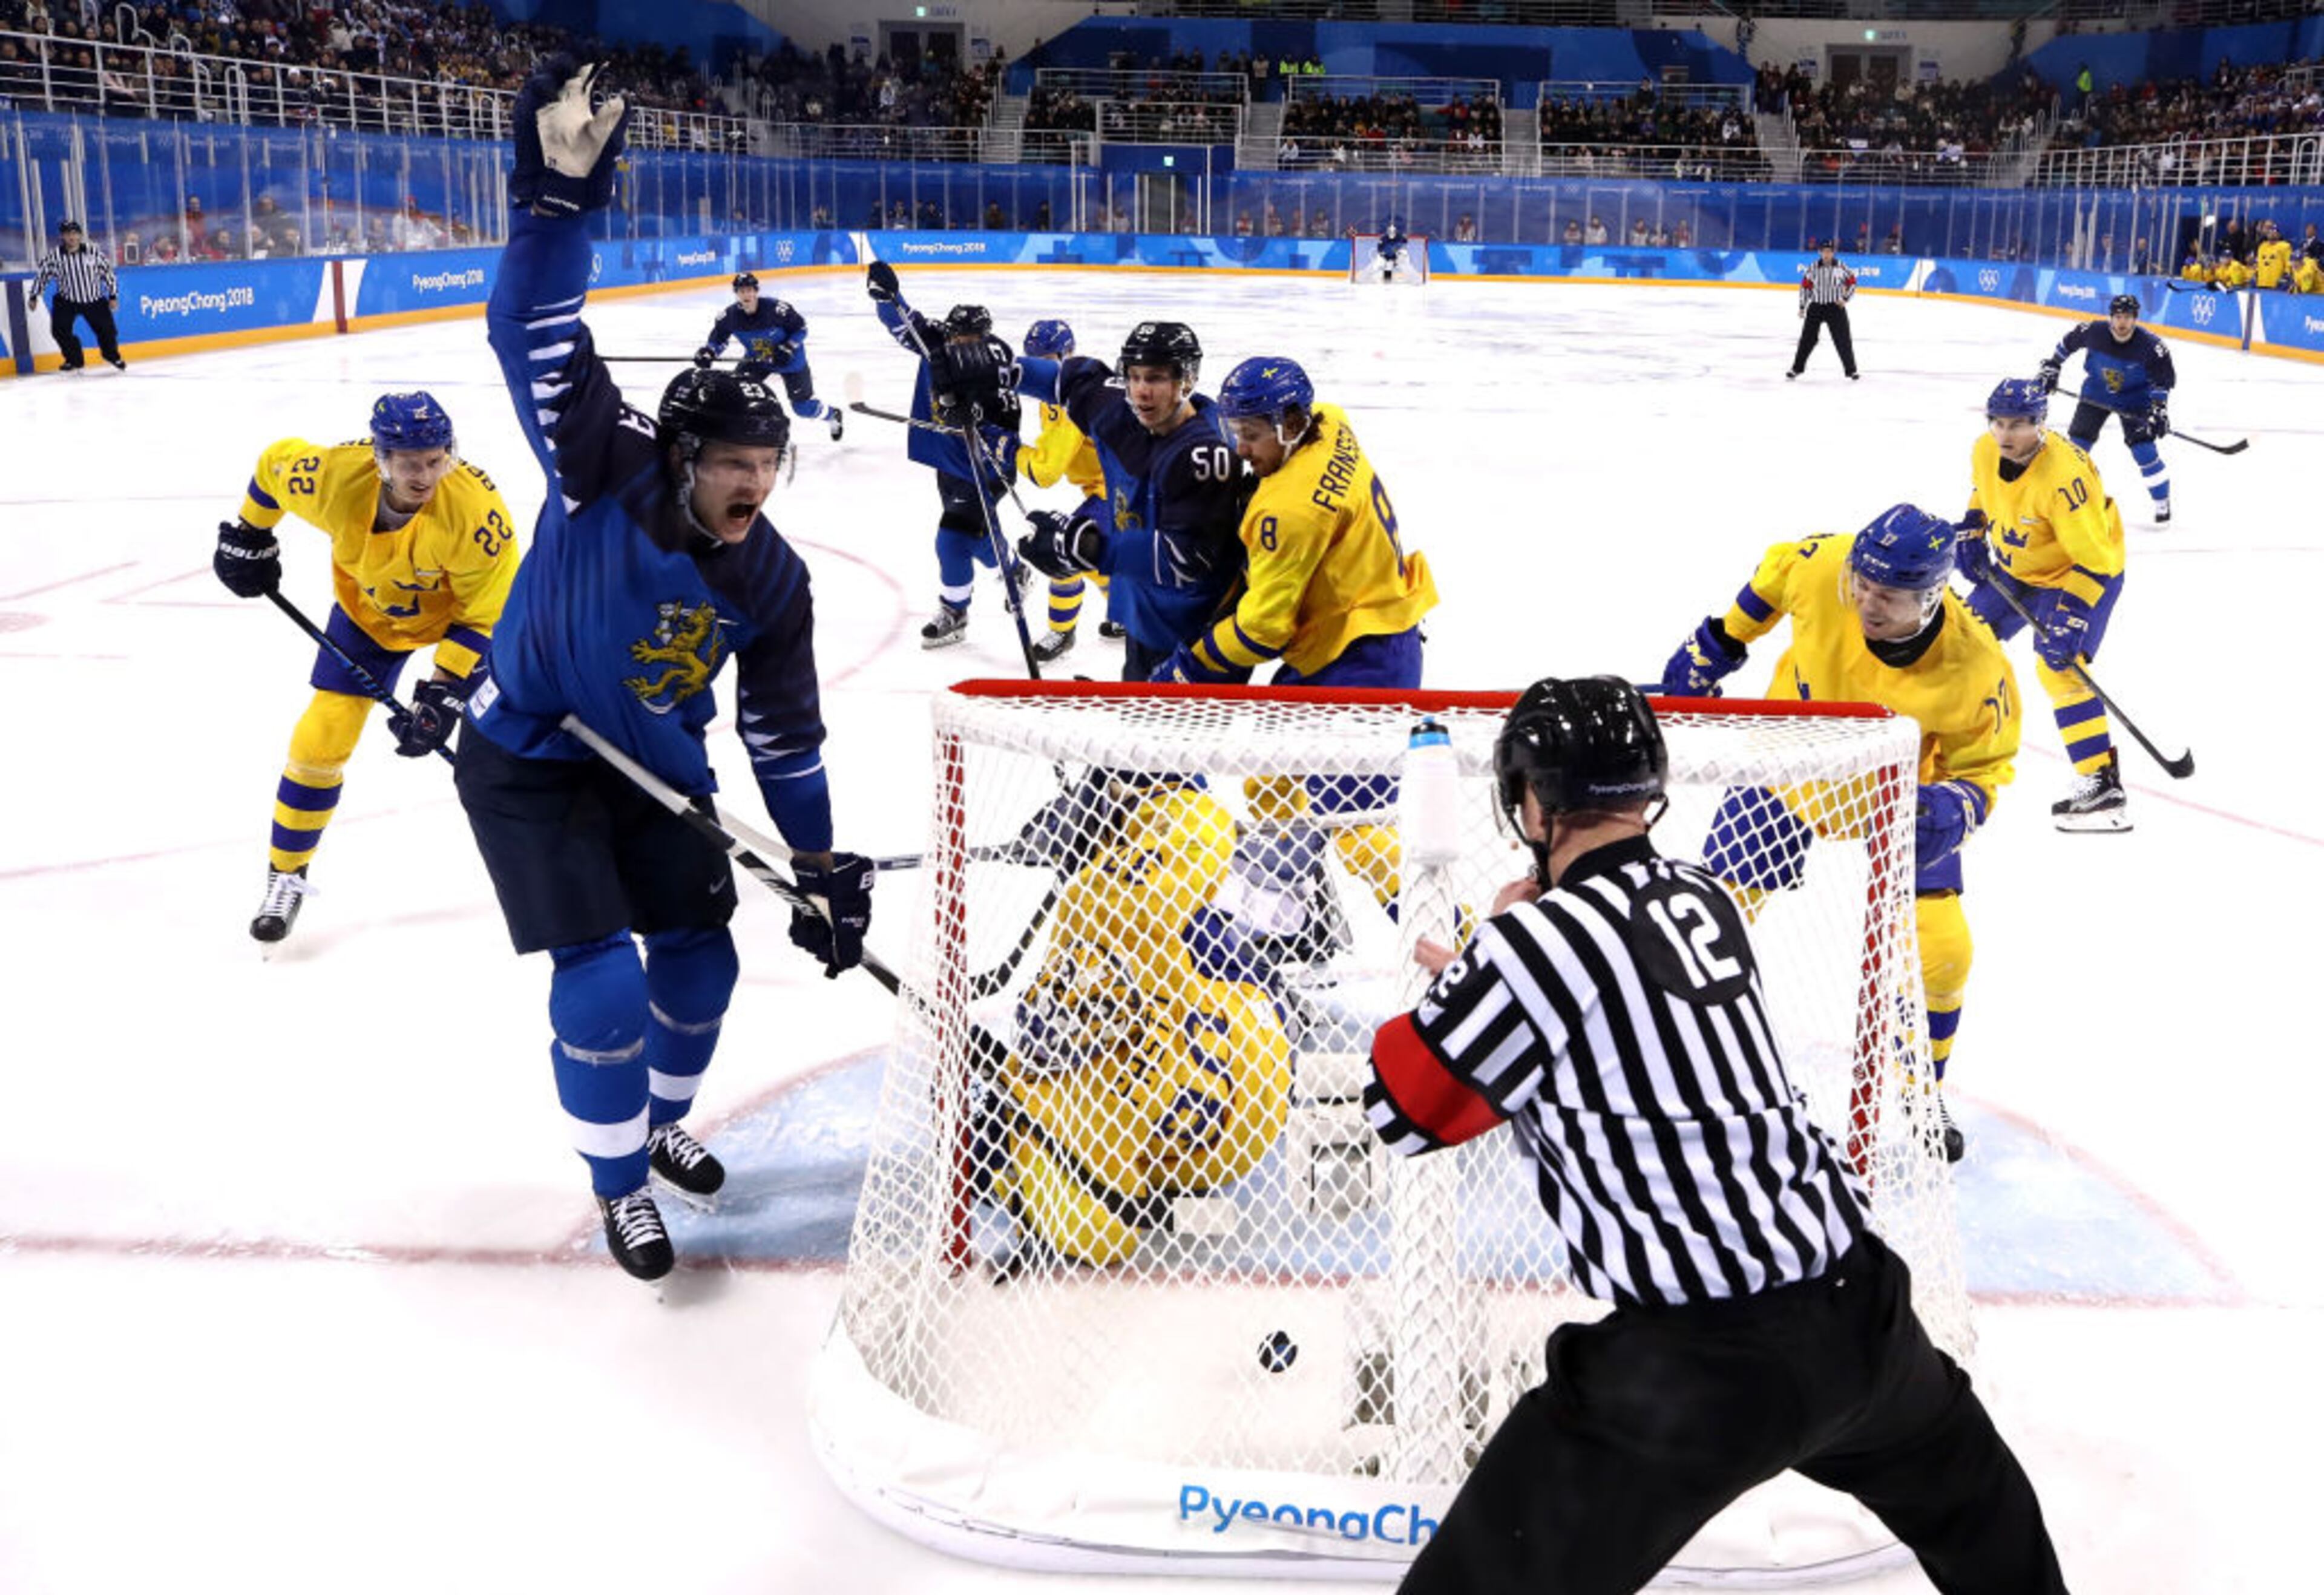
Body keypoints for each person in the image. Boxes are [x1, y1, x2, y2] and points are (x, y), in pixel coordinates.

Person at [1365, 676, 2069, 1595]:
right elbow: (1624, 1030)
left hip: (1692, 1373)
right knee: (1991, 1530)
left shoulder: (1528, 945)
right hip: (1864, 1320)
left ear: (1532, 806)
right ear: (1646, 790)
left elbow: (1406, 1110)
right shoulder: (1706, 898)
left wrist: (1478, 972)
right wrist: (1504, 975)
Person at [468, 58, 875, 1282]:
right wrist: (555, 211)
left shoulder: (774, 581)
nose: (757, 481)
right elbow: (528, 326)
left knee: (703, 957)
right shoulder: (606, 459)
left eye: (774, 461)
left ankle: (656, 1124)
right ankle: (616, 1188)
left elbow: (785, 743)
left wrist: (817, 867)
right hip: (531, 758)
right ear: (686, 452)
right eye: (737, 461)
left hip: (653, 766)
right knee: (598, 982)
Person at [1655, 506, 2021, 1161]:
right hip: (1789, 757)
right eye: (1862, 584)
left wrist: (1957, 805)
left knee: (1945, 952)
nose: (1865, 602)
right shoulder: (1828, 566)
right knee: (1710, 927)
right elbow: (1777, 572)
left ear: (1932, 596)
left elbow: (1986, 768)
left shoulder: (1975, 667)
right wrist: (1720, 641)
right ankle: (1693, 1074)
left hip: (1894, 790)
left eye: (1887, 595)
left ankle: (1923, 1084)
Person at [211, 392, 517, 942]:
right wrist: (250, 534)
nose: (424, 474)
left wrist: (442, 691)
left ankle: (545, 855)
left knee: (498, 738)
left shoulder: (475, 514)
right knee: (317, 743)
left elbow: (487, 612)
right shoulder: (334, 478)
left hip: (460, 627)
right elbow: (273, 465)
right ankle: (286, 874)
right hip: (367, 619)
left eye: (435, 459)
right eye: (408, 462)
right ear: (381, 459)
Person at [973, 781, 1292, 1267]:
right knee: (1193, 935)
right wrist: (1145, 810)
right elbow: (1202, 823)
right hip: (1252, 1098)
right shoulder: (1101, 906)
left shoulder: (1071, 1111)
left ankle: (1003, 1157)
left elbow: (1102, 1238)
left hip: (1229, 1133)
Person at [1002, 321, 1252, 680]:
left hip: (1198, 633)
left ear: (1189, 379)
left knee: (1176, 728)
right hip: (1146, 615)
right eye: (1133, 377)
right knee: (1139, 694)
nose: (1141, 392)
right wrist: (998, 369)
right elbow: (1066, 381)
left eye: (1156, 379)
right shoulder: (1121, 411)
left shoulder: (1207, 453)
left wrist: (1088, 548)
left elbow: (1188, 560)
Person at [1959, 378, 2131, 831]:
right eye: (1998, 422)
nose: (2005, 434)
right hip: (2020, 568)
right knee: (1962, 638)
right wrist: (1973, 527)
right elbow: (1983, 490)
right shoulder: (1984, 448)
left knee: (2059, 666)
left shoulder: (2064, 479)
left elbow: (2097, 560)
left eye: (2019, 424)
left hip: (2079, 572)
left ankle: (2101, 785)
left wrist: (2072, 616)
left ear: (2041, 424)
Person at [863, 261, 1026, 649]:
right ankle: (1014, 569)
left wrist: (985, 427)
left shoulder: (998, 361)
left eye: (971, 339)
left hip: (984, 466)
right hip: (949, 461)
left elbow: (1009, 421)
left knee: (951, 539)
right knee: (977, 537)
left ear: (985, 338)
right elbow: (903, 322)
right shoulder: (936, 341)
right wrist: (888, 295)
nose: (962, 344)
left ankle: (955, 611)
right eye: (958, 337)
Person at [1016, 318, 1122, 661]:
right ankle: (1127, 617)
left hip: (1119, 492)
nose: (1040, 369)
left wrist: (1008, 450)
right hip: (1108, 488)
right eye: (1033, 360)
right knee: (1097, 561)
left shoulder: (1073, 399)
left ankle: (1062, 632)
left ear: (1068, 353)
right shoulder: (1055, 395)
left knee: (1062, 549)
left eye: (1048, 361)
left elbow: (1045, 472)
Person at [2037, 293, 2176, 524]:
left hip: (2134, 399)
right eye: (2118, 317)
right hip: (2096, 394)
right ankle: (2060, 502)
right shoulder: (2093, 331)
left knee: (2144, 451)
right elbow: (2067, 344)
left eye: (2128, 317)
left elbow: (2162, 380)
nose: (2123, 323)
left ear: (2136, 319)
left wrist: (2159, 408)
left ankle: (2162, 502)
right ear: (2111, 317)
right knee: (2076, 451)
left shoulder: (2152, 347)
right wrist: (2053, 365)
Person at [695, 270, 843, 443]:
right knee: (736, 393)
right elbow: (718, 340)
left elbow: (801, 328)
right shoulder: (729, 317)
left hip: (791, 362)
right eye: (742, 291)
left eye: (750, 290)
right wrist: (709, 353)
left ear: (756, 291)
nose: (746, 295)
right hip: (758, 361)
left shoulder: (776, 310)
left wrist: (788, 348)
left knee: (802, 408)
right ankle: (738, 435)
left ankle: (833, 415)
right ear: (736, 294)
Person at [30, 220, 124, 372]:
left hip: (94, 299)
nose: (72, 237)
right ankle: (74, 359)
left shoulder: (93, 252)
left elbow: (108, 274)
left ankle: (112, 356)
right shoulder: (55, 256)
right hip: (67, 300)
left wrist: (113, 295)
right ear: (63, 236)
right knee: (59, 331)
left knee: (108, 330)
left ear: (80, 235)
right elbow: (43, 276)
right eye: (68, 234)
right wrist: (34, 295)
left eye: (75, 233)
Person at [1790, 239, 1859, 381]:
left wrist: (1845, 299)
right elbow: (1806, 287)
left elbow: (1852, 282)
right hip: (1816, 307)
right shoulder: (1813, 268)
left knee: (1843, 339)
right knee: (1807, 340)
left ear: (1833, 253)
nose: (1827, 254)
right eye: (1824, 251)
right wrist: (1802, 306)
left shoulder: (1841, 267)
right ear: (1820, 252)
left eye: (1829, 251)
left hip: (1835, 308)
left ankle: (1851, 370)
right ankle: (1796, 369)